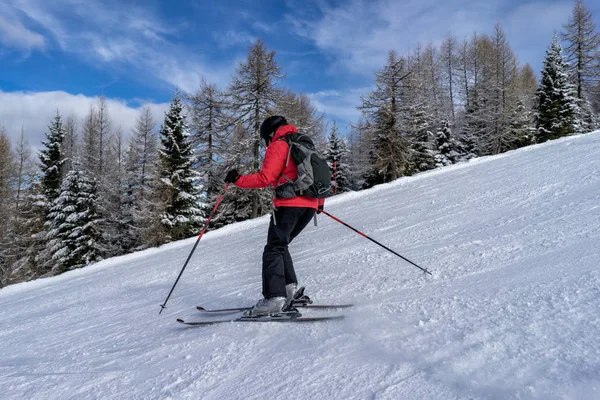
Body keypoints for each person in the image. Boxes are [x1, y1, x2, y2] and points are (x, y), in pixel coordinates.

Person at [224, 116, 325, 316]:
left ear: (271, 133)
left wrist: (238, 179)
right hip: (311, 206)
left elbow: (265, 178)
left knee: (273, 248)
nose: (266, 143)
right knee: (281, 245)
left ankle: (274, 298)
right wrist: (319, 204)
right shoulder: (305, 144)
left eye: (266, 139)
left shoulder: (280, 145)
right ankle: (289, 292)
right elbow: (319, 175)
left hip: (288, 206)